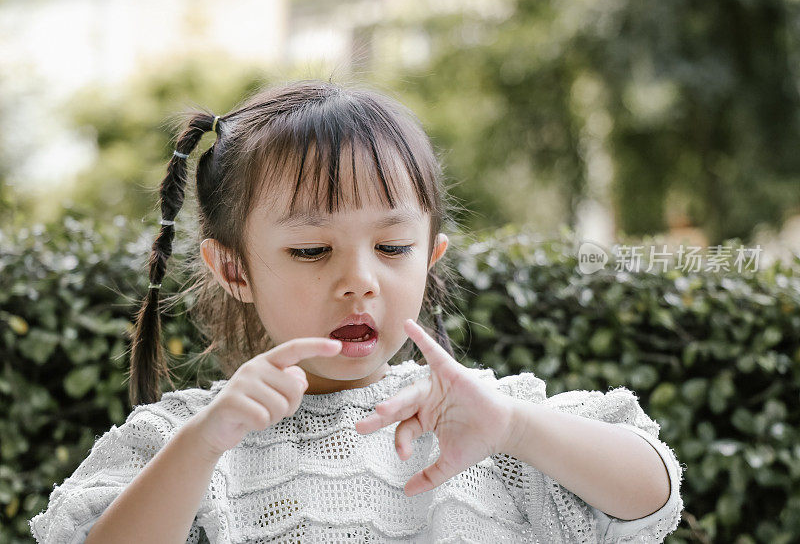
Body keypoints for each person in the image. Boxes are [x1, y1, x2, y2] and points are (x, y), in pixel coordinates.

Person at [29, 79, 684, 543]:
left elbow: (652, 496)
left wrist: (515, 426)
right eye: (313, 248)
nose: (359, 281)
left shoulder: (481, 417)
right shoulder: (187, 439)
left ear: (431, 256)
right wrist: (202, 444)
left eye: (393, 245)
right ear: (233, 268)